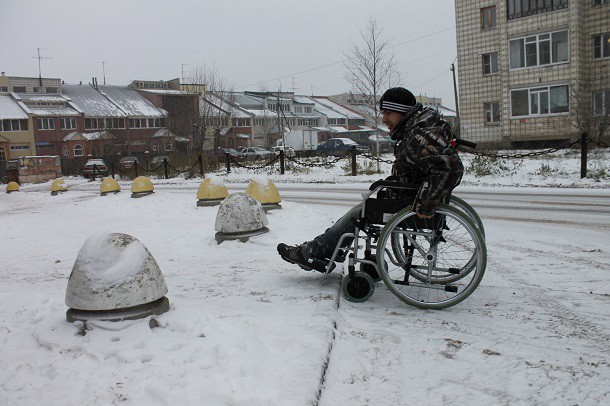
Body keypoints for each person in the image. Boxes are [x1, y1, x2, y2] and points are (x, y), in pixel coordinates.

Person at [277, 87, 464, 273]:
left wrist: (426, 202)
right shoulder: (421, 129)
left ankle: (313, 251)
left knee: (358, 214)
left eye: (388, 113)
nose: (384, 120)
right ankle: (319, 247)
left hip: (409, 202)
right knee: (362, 208)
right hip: (405, 194)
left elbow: (451, 167)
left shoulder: (418, 136)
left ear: (403, 112)